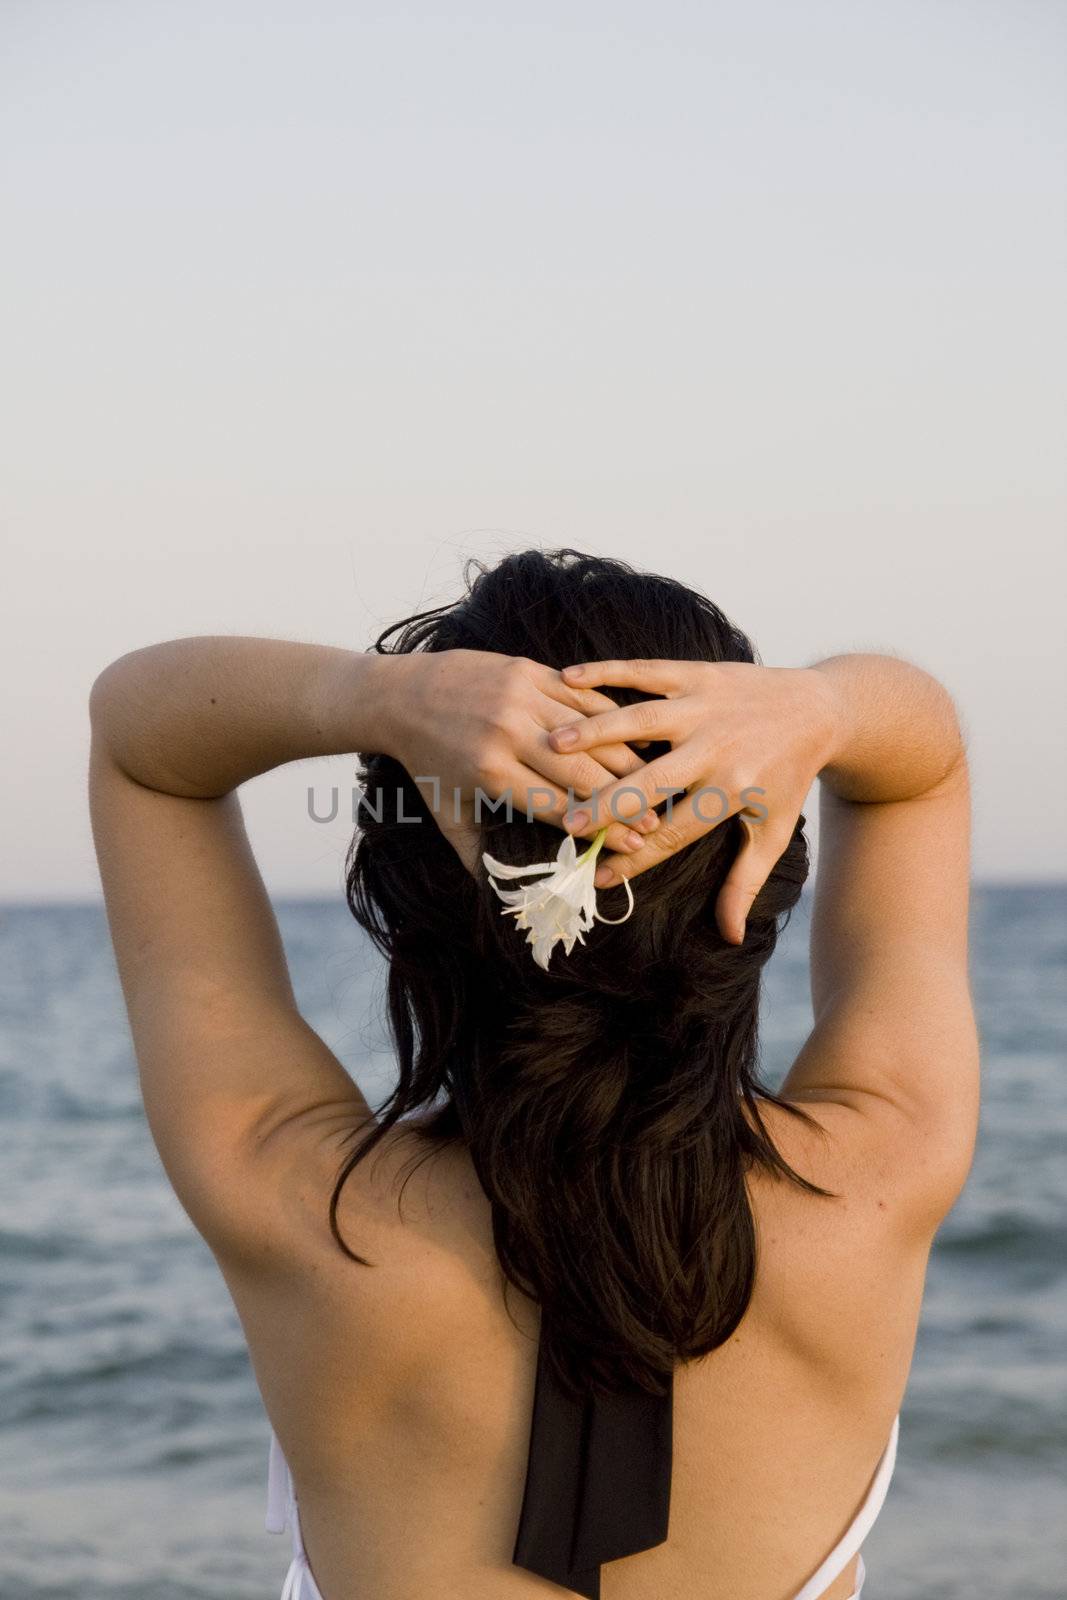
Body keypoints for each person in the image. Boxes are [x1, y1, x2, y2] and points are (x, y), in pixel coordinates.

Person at [88, 548, 978, 1600]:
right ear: (757, 869)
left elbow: (140, 745)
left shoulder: (301, 1209)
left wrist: (371, 696)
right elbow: (918, 769)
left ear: (412, 900)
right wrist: (817, 705)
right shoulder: (875, 1177)